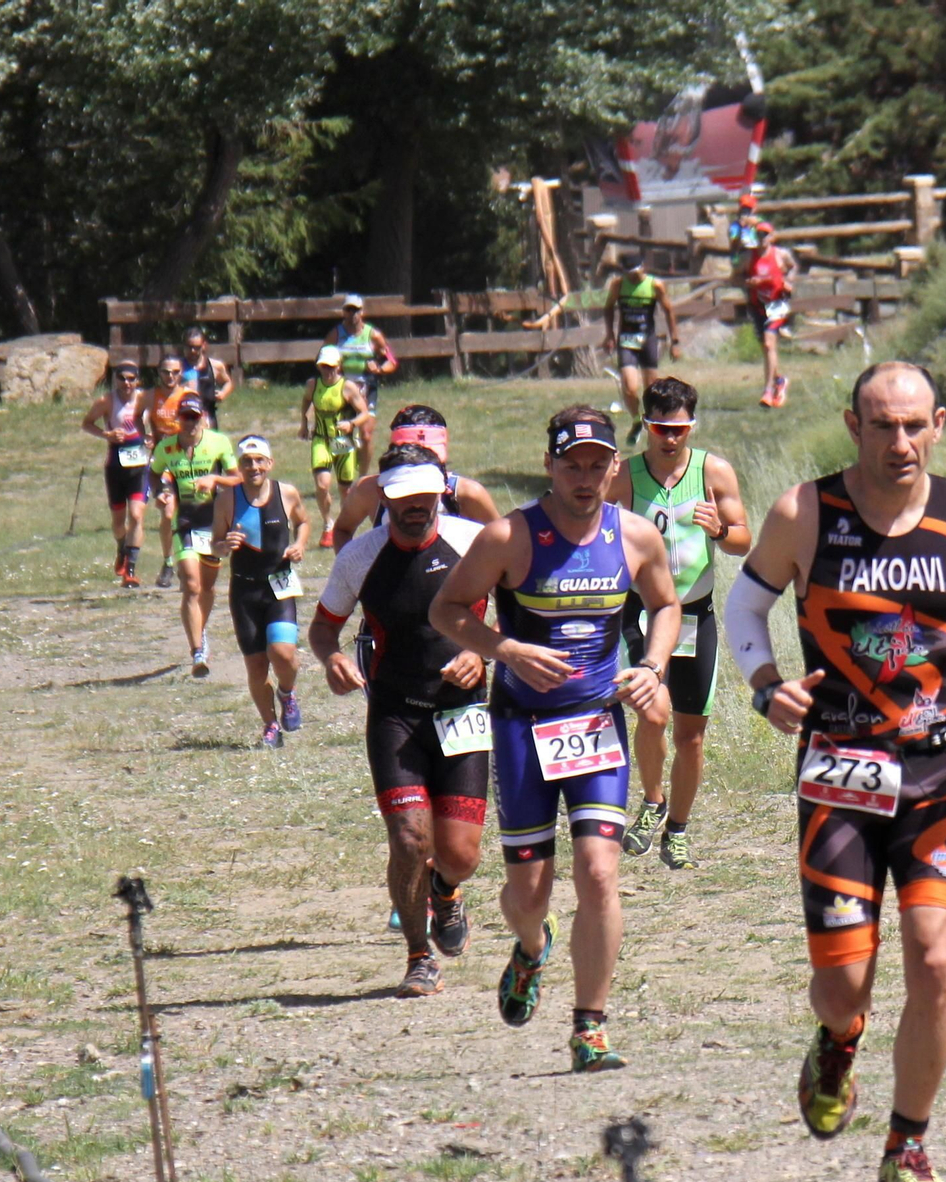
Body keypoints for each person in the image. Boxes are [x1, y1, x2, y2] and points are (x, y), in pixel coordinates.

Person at [723, 362, 946, 1182]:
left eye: (914, 425)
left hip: (936, 770)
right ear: (853, 426)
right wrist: (765, 686)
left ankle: (906, 1148)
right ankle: (839, 1041)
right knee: (845, 988)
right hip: (839, 772)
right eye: (882, 425)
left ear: (938, 423)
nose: (900, 442)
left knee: (936, 959)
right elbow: (744, 608)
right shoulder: (804, 513)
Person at [429, 407, 679, 1073]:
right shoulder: (509, 536)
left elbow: (667, 603)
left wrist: (653, 667)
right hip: (522, 726)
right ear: (550, 465)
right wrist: (504, 648)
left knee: (599, 872)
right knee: (529, 895)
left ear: (614, 468)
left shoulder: (633, 536)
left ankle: (589, 1026)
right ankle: (531, 947)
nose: (585, 478)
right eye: (572, 465)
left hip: (596, 723)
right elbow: (445, 609)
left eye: (597, 465)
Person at [310, 444, 491, 997]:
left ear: (442, 491)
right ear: (383, 497)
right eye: (402, 496)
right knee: (410, 838)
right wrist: (331, 657)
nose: (415, 505)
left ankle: (446, 889)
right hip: (395, 714)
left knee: (460, 855)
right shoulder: (360, 557)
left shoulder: (474, 543)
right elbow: (323, 627)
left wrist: (481, 653)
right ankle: (418, 957)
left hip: (462, 710)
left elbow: (516, 610)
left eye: (424, 494)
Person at [608, 377, 750, 868]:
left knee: (691, 736)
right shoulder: (625, 476)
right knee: (653, 713)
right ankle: (653, 801)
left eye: (680, 429)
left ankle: (678, 830)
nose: (670, 438)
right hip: (641, 613)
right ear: (645, 424)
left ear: (692, 426)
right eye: (660, 428)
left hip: (694, 616)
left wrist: (721, 529)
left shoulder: (713, 471)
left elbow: (742, 541)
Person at [213, 435, 308, 749]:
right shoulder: (227, 499)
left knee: (283, 653)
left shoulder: (286, 493)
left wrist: (299, 544)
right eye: (246, 461)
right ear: (238, 466)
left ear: (269, 463)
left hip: (279, 585)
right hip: (245, 590)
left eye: (259, 461)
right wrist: (224, 545)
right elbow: (214, 545)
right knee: (255, 665)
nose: (253, 467)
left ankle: (287, 692)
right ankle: (271, 726)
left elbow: (303, 522)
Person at [149, 393, 238, 677]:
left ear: (203, 418)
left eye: (195, 418)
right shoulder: (166, 447)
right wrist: (161, 492)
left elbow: (238, 478)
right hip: (184, 521)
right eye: (185, 417)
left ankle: (201, 628)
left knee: (207, 588)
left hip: (213, 522)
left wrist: (215, 479)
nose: (190, 423)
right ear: (178, 419)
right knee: (191, 584)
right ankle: (197, 650)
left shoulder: (218, 443)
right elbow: (153, 473)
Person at [331, 405, 501, 552]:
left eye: (430, 458)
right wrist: (354, 569)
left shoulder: (466, 494)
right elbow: (342, 530)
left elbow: (502, 541)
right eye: (415, 458)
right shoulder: (368, 491)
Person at [80, 359, 150, 587]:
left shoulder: (145, 399)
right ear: (115, 379)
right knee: (119, 523)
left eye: (131, 379)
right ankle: (122, 547)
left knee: (137, 516)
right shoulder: (106, 401)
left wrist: (153, 439)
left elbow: (160, 423)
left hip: (140, 466)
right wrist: (106, 435)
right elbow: (87, 423)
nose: (126, 383)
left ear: (138, 380)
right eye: (122, 378)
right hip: (116, 466)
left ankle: (131, 569)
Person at [600, 253, 680, 447]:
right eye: (629, 273)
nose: (633, 276)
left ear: (643, 267)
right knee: (629, 386)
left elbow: (669, 310)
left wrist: (675, 341)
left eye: (636, 272)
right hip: (626, 340)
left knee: (651, 389)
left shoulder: (655, 285)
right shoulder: (618, 285)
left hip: (647, 340)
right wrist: (609, 334)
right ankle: (636, 420)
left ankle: (654, 424)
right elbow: (608, 307)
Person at [297, 344, 370, 548]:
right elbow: (306, 401)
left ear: (338, 366)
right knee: (322, 485)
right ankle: (328, 523)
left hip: (342, 441)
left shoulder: (347, 387)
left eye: (331, 367)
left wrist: (351, 424)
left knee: (345, 489)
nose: (327, 371)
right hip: (321, 439)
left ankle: (344, 527)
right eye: (324, 366)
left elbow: (364, 413)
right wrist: (304, 423)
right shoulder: (313, 385)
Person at [324, 294, 395, 472]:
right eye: (349, 310)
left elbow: (391, 361)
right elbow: (322, 359)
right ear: (343, 312)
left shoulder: (373, 335)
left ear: (362, 312)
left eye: (356, 310)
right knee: (341, 434)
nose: (352, 314)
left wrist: (379, 369)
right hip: (343, 388)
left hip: (367, 388)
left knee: (366, 434)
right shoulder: (335, 334)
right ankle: (344, 474)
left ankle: (363, 476)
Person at [144, 355, 197, 588]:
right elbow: (136, 416)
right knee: (167, 513)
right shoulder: (150, 396)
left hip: (185, 460)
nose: (170, 376)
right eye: (166, 372)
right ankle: (168, 563)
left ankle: (188, 563)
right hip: (163, 460)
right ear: (159, 372)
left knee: (189, 513)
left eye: (175, 372)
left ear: (181, 373)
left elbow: (201, 424)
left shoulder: (188, 395)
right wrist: (144, 435)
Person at [744, 223, 798, 409]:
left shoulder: (781, 254)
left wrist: (788, 281)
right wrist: (748, 282)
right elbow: (734, 277)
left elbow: (793, 267)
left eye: (765, 234)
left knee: (769, 344)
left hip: (777, 304)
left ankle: (767, 391)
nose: (762, 238)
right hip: (758, 305)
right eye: (758, 234)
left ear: (772, 236)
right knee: (766, 348)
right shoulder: (748, 257)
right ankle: (779, 380)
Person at [182, 326, 235, 428]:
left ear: (204, 345)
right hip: (184, 416)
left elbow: (228, 382)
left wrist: (223, 393)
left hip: (208, 417)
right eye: (189, 347)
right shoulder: (177, 367)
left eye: (197, 347)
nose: (193, 351)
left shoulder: (215, 366)